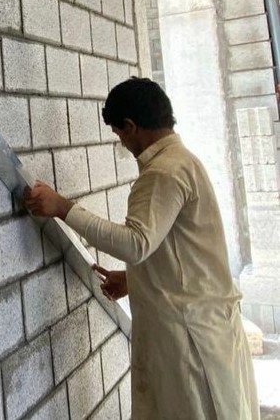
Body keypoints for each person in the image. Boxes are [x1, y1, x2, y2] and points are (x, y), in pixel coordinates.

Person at [24, 77, 259, 420]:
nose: (121, 143)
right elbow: (181, 252)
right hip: (202, 327)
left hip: (189, 338)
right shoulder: (183, 162)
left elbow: (136, 243)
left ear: (131, 126)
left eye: (119, 134)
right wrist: (136, 280)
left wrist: (63, 208)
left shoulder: (163, 172)